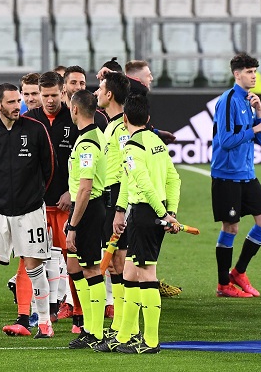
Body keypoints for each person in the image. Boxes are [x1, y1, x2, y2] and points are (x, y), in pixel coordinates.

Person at [0, 83, 55, 341]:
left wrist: (34, 195)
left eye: (19, 101)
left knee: (34, 266)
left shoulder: (36, 130)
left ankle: (45, 324)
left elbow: (49, 167)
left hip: (30, 211)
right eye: (12, 102)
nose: (18, 106)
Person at [96, 93, 181, 354]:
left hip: (145, 214)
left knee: (146, 274)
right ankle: (125, 336)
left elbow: (141, 182)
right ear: (148, 118)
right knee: (131, 273)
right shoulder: (156, 142)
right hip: (146, 213)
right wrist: (169, 211)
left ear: (124, 119)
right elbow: (173, 179)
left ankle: (151, 342)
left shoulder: (132, 147)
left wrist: (162, 214)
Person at [3, 71, 80, 336]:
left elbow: (84, 160)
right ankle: (23, 319)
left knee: (73, 259)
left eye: (53, 95)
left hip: (66, 206)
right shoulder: (28, 121)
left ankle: (79, 318)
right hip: (35, 206)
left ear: (62, 92)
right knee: (28, 261)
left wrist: (72, 191)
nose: (48, 100)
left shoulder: (75, 118)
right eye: (43, 95)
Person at [211, 53, 261, 298]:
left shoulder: (249, 100)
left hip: (247, 173)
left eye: (255, 72)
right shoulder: (228, 100)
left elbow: (260, 138)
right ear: (237, 74)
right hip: (227, 174)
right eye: (249, 72)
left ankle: (238, 272)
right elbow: (226, 141)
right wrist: (256, 127)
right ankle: (222, 285)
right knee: (231, 227)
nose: (253, 76)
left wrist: (259, 112)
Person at [66, 90, 107, 349]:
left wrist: (73, 224)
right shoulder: (93, 136)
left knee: (91, 269)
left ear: (75, 110)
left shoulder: (87, 144)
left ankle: (96, 332)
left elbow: (85, 187)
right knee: (77, 266)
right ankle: (89, 328)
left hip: (89, 208)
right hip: (86, 207)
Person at [94, 71, 131, 335]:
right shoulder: (112, 124)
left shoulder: (121, 128)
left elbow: (129, 168)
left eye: (100, 88)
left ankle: (125, 325)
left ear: (110, 95)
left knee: (121, 260)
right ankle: (120, 323)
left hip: (120, 197)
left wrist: (121, 208)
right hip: (111, 196)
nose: (96, 92)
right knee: (117, 261)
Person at [63, 65, 108, 131]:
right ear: (64, 87)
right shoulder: (57, 115)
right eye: (73, 83)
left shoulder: (99, 118)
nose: (78, 87)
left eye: (82, 83)